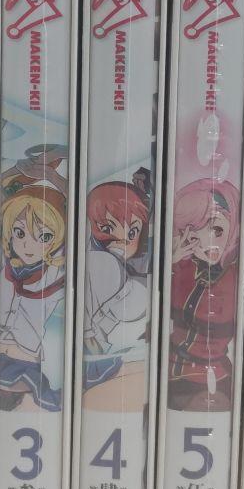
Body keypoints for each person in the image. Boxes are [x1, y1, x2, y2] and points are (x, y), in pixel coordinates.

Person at [166, 178, 241, 411]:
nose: (208, 244)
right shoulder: (180, 268)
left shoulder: (236, 277)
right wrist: (169, 264)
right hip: (168, 373)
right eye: (194, 236)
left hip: (214, 377)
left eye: (216, 230)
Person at [83, 172, 152, 411]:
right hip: (101, 358)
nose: (122, 240)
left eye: (131, 232)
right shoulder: (99, 262)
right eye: (107, 228)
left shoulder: (134, 270)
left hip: (122, 356)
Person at [0, 185, 67, 411]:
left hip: (26, 365)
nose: (28, 245)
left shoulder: (55, 277)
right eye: (20, 233)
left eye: (44, 236)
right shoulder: (5, 269)